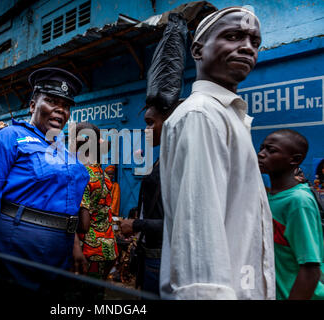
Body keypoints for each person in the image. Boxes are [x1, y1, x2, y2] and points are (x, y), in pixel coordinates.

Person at [159, 7, 275, 300]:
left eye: (254, 42)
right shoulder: (202, 115)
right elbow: (199, 240)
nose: (247, 47)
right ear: (197, 50)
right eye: (233, 36)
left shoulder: (227, 117)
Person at [0, 67, 90, 291]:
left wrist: (75, 245)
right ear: (32, 106)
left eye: (65, 105)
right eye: (51, 101)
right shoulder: (9, 137)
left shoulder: (64, 151)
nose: (60, 109)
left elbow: (66, 204)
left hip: (60, 255)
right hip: (15, 252)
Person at [120, 100, 181, 296]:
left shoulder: (178, 162)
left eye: (150, 123)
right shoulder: (163, 158)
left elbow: (180, 224)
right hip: (151, 255)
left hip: (163, 258)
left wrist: (137, 224)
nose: (146, 129)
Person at [258, 129, 324, 300]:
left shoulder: (298, 201)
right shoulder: (268, 198)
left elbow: (310, 269)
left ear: (295, 160)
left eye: (271, 150)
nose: (261, 154)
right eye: (261, 148)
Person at [72, 122, 118, 298]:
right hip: (107, 248)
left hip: (88, 251)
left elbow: (83, 224)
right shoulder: (103, 175)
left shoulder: (82, 174)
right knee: (97, 294)